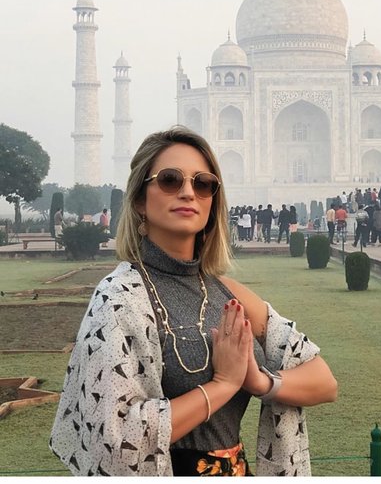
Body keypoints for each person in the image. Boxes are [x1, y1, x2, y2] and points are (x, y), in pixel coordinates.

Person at [50, 126, 337, 476]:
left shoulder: (227, 294)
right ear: (140, 199)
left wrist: (260, 382)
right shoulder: (120, 298)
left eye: (203, 184)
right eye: (171, 180)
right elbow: (116, 438)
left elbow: (324, 381)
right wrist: (223, 385)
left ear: (213, 200)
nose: (188, 192)